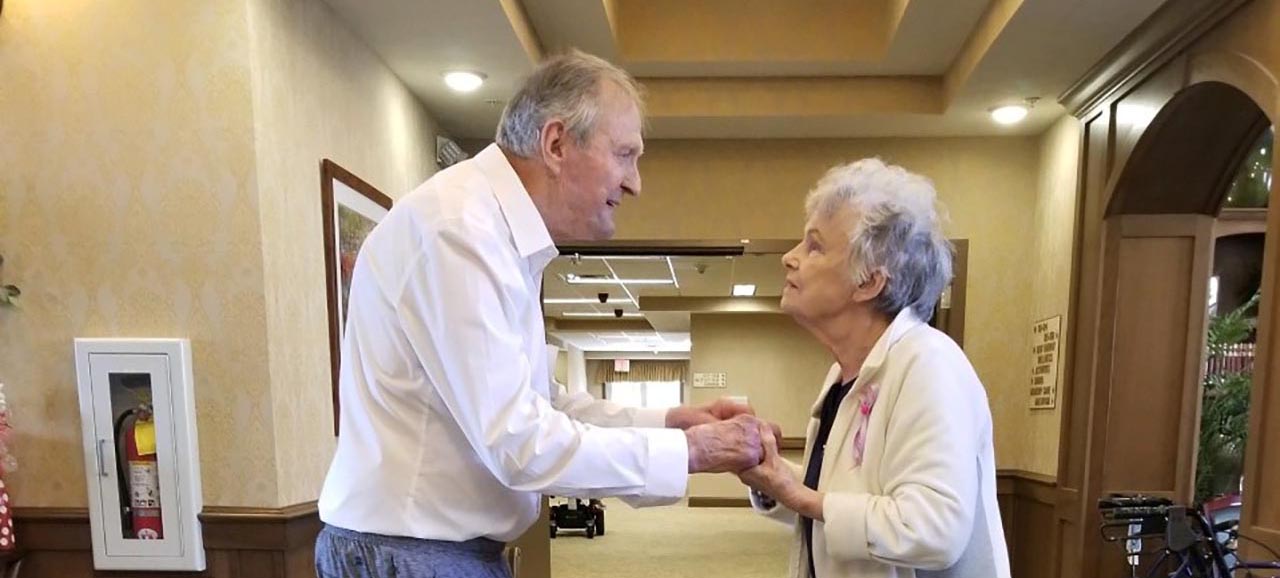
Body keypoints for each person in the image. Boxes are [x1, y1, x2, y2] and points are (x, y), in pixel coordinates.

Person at [316, 50, 767, 578]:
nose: (635, 182)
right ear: (556, 144)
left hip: (430, 551)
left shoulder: (496, 234)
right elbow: (519, 441)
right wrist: (687, 451)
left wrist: (669, 421)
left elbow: (541, 405)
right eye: (625, 154)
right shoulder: (460, 230)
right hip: (412, 554)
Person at [737, 159, 1011, 578]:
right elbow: (849, 510)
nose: (789, 259)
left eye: (814, 246)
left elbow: (933, 529)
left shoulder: (928, 364)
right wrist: (770, 474)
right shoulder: (846, 376)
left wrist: (802, 497)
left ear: (869, 282)